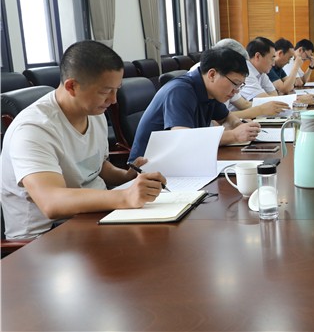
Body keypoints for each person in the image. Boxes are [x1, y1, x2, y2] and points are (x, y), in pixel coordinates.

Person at [1, 40, 167, 239]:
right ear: (72, 86)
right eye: (105, 91)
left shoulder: (94, 112)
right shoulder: (33, 129)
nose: (113, 100)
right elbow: (52, 202)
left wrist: (127, 177)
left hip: (94, 217)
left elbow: (96, 166)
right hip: (46, 237)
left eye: (117, 89)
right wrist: (125, 196)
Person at [129, 46, 262, 160]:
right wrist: (234, 135)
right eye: (235, 83)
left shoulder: (211, 92)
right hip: (150, 166)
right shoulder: (180, 90)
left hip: (183, 158)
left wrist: (239, 125)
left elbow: (226, 117)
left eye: (240, 85)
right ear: (212, 75)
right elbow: (184, 138)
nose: (236, 91)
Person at [214, 37, 289, 119]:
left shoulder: (230, 82)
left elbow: (243, 105)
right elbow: (219, 118)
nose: (237, 90)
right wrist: (261, 110)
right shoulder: (238, 76)